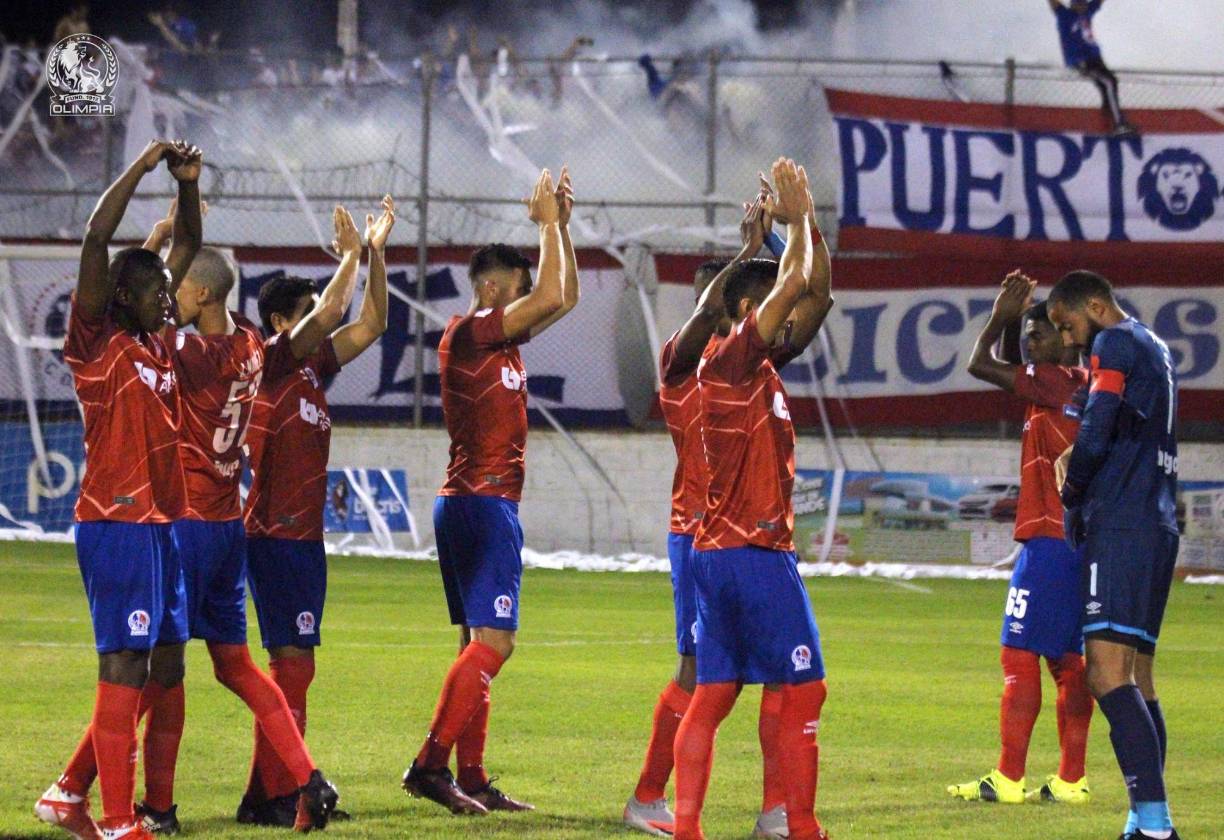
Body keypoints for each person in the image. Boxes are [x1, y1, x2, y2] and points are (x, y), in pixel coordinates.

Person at [402, 167, 578, 815]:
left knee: (476, 643)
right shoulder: (471, 330)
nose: (525, 302)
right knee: (496, 642)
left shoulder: (497, 343)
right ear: (493, 288)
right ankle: (430, 765)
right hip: (481, 504)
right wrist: (549, 226)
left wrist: (563, 224)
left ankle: (470, 778)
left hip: (476, 503)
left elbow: (566, 296)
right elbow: (553, 291)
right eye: (516, 292)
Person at [625, 196, 799, 839]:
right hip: (700, 535)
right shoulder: (687, 362)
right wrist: (752, 254)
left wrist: (778, 247)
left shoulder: (755, 364)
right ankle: (651, 796)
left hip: (748, 539)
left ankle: (776, 810)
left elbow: (803, 307)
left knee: (777, 673)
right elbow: (716, 317)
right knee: (703, 675)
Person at [33, 140, 192, 840]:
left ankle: (70, 791)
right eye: (157, 289)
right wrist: (149, 160)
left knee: (161, 664)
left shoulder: (156, 343)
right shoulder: (97, 340)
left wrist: (186, 184)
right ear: (120, 295)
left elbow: (187, 243)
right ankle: (120, 820)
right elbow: (98, 235)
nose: (170, 296)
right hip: (117, 520)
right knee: (124, 661)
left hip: (158, 524)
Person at [671, 157, 833, 840]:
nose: (788, 314)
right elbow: (795, 281)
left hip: (718, 550)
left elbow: (812, 290)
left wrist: (797, 236)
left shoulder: (741, 365)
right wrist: (801, 221)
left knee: (712, 694)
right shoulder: (734, 356)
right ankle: (800, 827)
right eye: (773, 307)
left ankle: (686, 827)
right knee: (805, 688)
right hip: (753, 551)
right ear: (747, 312)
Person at [238, 196, 395, 827]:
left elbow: (372, 322)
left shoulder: (310, 372)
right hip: (272, 536)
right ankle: (283, 794)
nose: (320, 325)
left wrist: (375, 257)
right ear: (280, 320)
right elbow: (336, 308)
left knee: (293, 670)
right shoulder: (270, 367)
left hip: (304, 541)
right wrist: (352, 253)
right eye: (304, 317)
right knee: (292, 669)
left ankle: (265, 795)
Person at [950, 271, 1095, 805]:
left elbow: (979, 364)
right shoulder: (1073, 384)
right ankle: (1071, 779)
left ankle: (1009, 778)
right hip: (1074, 539)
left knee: (1017, 653)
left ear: (1063, 336)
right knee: (1066, 660)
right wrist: (1020, 324)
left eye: (1041, 334)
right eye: (1029, 337)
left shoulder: (1054, 381)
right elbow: (1017, 363)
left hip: (1049, 541)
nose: (1031, 343)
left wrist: (1001, 318)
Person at [1048, 271, 1181, 840]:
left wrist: (1073, 485)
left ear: (1096, 306)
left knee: (1104, 675)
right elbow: (1121, 420)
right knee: (1138, 680)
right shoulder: (1155, 346)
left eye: (1068, 324)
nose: (1071, 339)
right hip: (1156, 520)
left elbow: (1100, 426)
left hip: (1123, 522)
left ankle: (1155, 827)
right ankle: (1144, 818)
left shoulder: (1115, 342)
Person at [1046, 0, 1135, 135]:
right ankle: (1119, 124)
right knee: (1109, 82)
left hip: (1095, 59)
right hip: (1081, 61)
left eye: (1084, 4)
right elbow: (1054, 4)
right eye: (1079, 4)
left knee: (1105, 85)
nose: (1083, 6)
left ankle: (1110, 119)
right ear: (1073, 4)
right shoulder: (1065, 15)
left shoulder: (1087, 12)